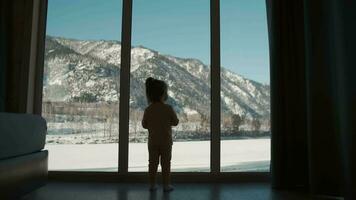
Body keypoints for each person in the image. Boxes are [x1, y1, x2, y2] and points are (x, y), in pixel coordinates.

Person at [142, 77, 179, 192]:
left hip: (153, 142)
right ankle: (166, 185)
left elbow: (144, 124)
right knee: (166, 164)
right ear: (164, 94)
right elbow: (175, 122)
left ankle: (152, 185)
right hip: (166, 142)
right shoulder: (168, 108)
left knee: (152, 164)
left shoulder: (148, 109)